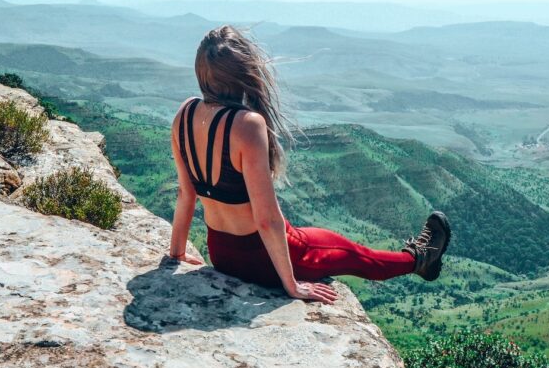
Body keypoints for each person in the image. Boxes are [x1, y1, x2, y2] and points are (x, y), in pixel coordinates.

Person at [167, 25, 451, 304]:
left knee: (323, 238)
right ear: (243, 70)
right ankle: (420, 259)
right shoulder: (246, 125)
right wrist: (291, 286)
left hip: (221, 253)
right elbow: (266, 220)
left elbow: (186, 194)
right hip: (262, 257)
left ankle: (418, 259)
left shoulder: (185, 112)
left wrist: (177, 253)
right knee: (356, 255)